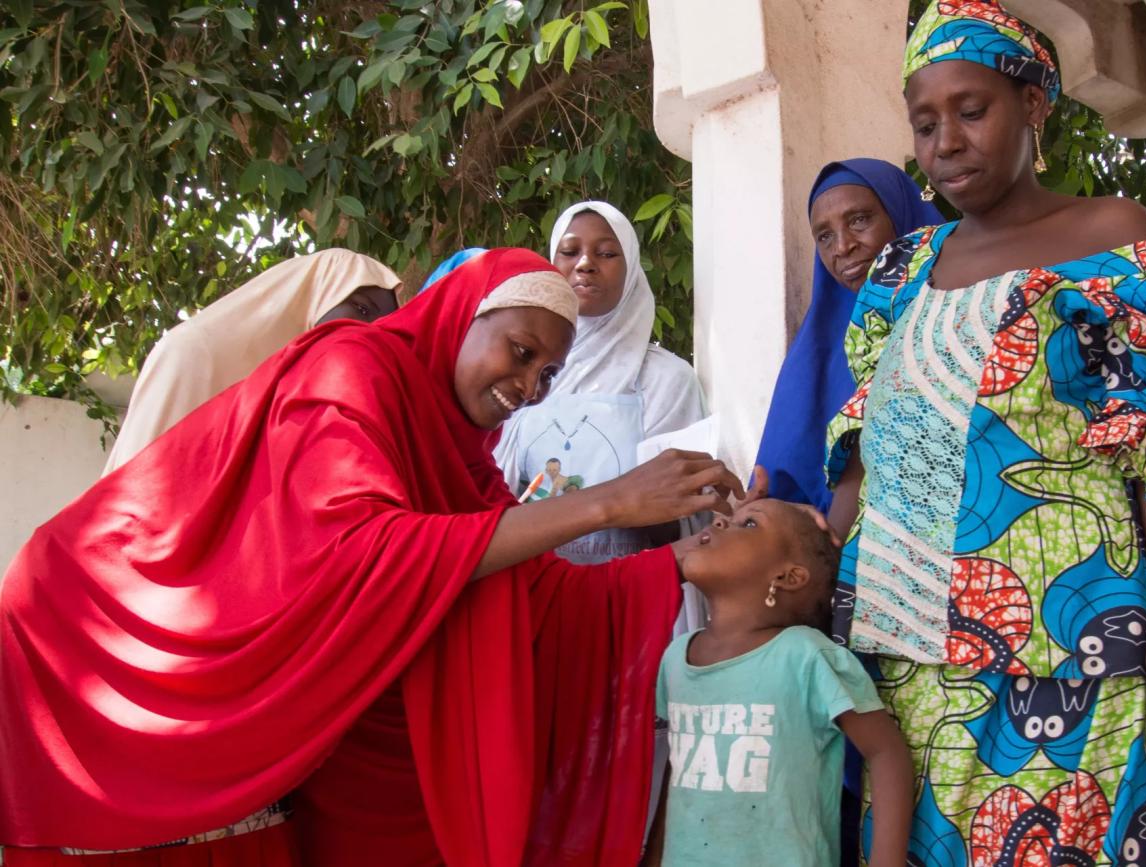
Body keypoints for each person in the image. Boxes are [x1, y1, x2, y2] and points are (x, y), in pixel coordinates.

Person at [0, 248, 745, 867]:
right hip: (107, 631)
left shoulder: (465, 457)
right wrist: (609, 501)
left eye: (546, 375)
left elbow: (531, 588)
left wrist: (684, 557)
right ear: (464, 313)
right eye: (520, 353)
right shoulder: (352, 366)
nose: (527, 387)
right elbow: (355, 550)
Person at [825, 3, 1146, 865]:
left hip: (1065, 644)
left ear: (1034, 105)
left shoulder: (1109, 236)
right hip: (904, 651)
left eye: (972, 111)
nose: (946, 142)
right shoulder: (901, 270)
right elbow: (861, 445)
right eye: (926, 123)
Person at [643, 499, 913, 867]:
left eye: (749, 524)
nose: (721, 524)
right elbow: (680, 772)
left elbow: (886, 753)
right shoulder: (676, 657)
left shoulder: (806, 657)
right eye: (727, 519)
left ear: (788, 576)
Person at [494, 201, 706, 567]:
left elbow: (683, 509)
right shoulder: (522, 373)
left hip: (636, 594)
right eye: (570, 251)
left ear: (632, 271)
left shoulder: (666, 380)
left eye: (606, 253)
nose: (585, 264)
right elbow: (494, 494)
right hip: (535, 591)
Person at [102, 248, 401, 474]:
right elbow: (137, 483)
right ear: (318, 291)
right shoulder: (192, 353)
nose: (369, 333)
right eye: (362, 310)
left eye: (382, 328)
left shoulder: (301, 396)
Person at [754, 160, 943, 513]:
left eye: (859, 220)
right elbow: (779, 491)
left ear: (901, 216)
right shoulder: (815, 355)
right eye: (824, 236)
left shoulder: (960, 316)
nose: (842, 247)